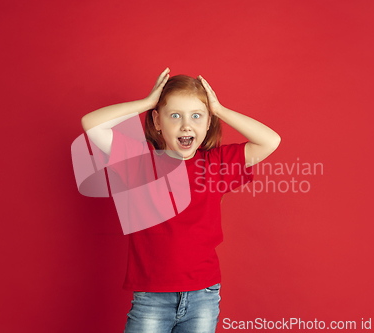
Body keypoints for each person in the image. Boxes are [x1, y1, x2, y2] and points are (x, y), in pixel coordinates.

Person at [81, 67, 281, 333]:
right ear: (157, 121)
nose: (186, 124)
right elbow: (90, 124)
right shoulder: (140, 162)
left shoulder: (216, 164)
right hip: (152, 297)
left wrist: (219, 110)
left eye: (196, 116)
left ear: (208, 122)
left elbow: (270, 140)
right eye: (174, 115)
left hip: (203, 296)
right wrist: (146, 103)